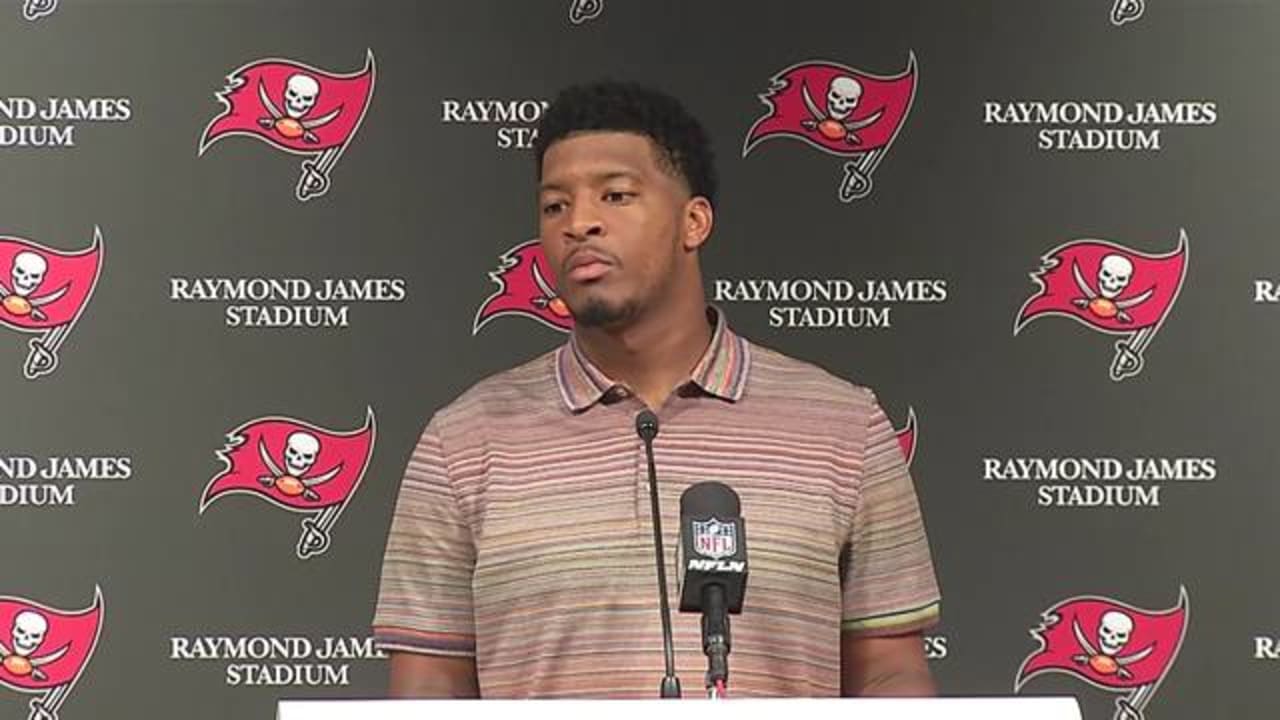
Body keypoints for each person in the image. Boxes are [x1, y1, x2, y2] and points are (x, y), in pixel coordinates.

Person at [372, 81, 941, 698]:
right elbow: (428, 682)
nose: (580, 223)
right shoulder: (463, 442)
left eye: (615, 195)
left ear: (693, 222)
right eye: (555, 206)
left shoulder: (844, 427)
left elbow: (889, 671)